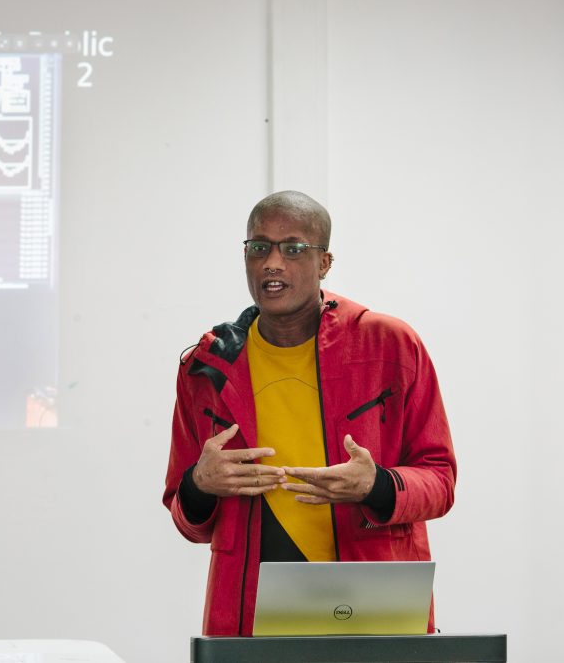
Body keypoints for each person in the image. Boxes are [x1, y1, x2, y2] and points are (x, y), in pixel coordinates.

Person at [163, 190, 456, 636]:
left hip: (375, 605)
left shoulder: (390, 346)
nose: (273, 263)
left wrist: (376, 485)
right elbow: (188, 520)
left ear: (325, 263)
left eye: (294, 248)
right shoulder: (206, 367)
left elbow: (440, 480)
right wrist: (201, 484)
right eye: (259, 247)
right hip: (252, 615)